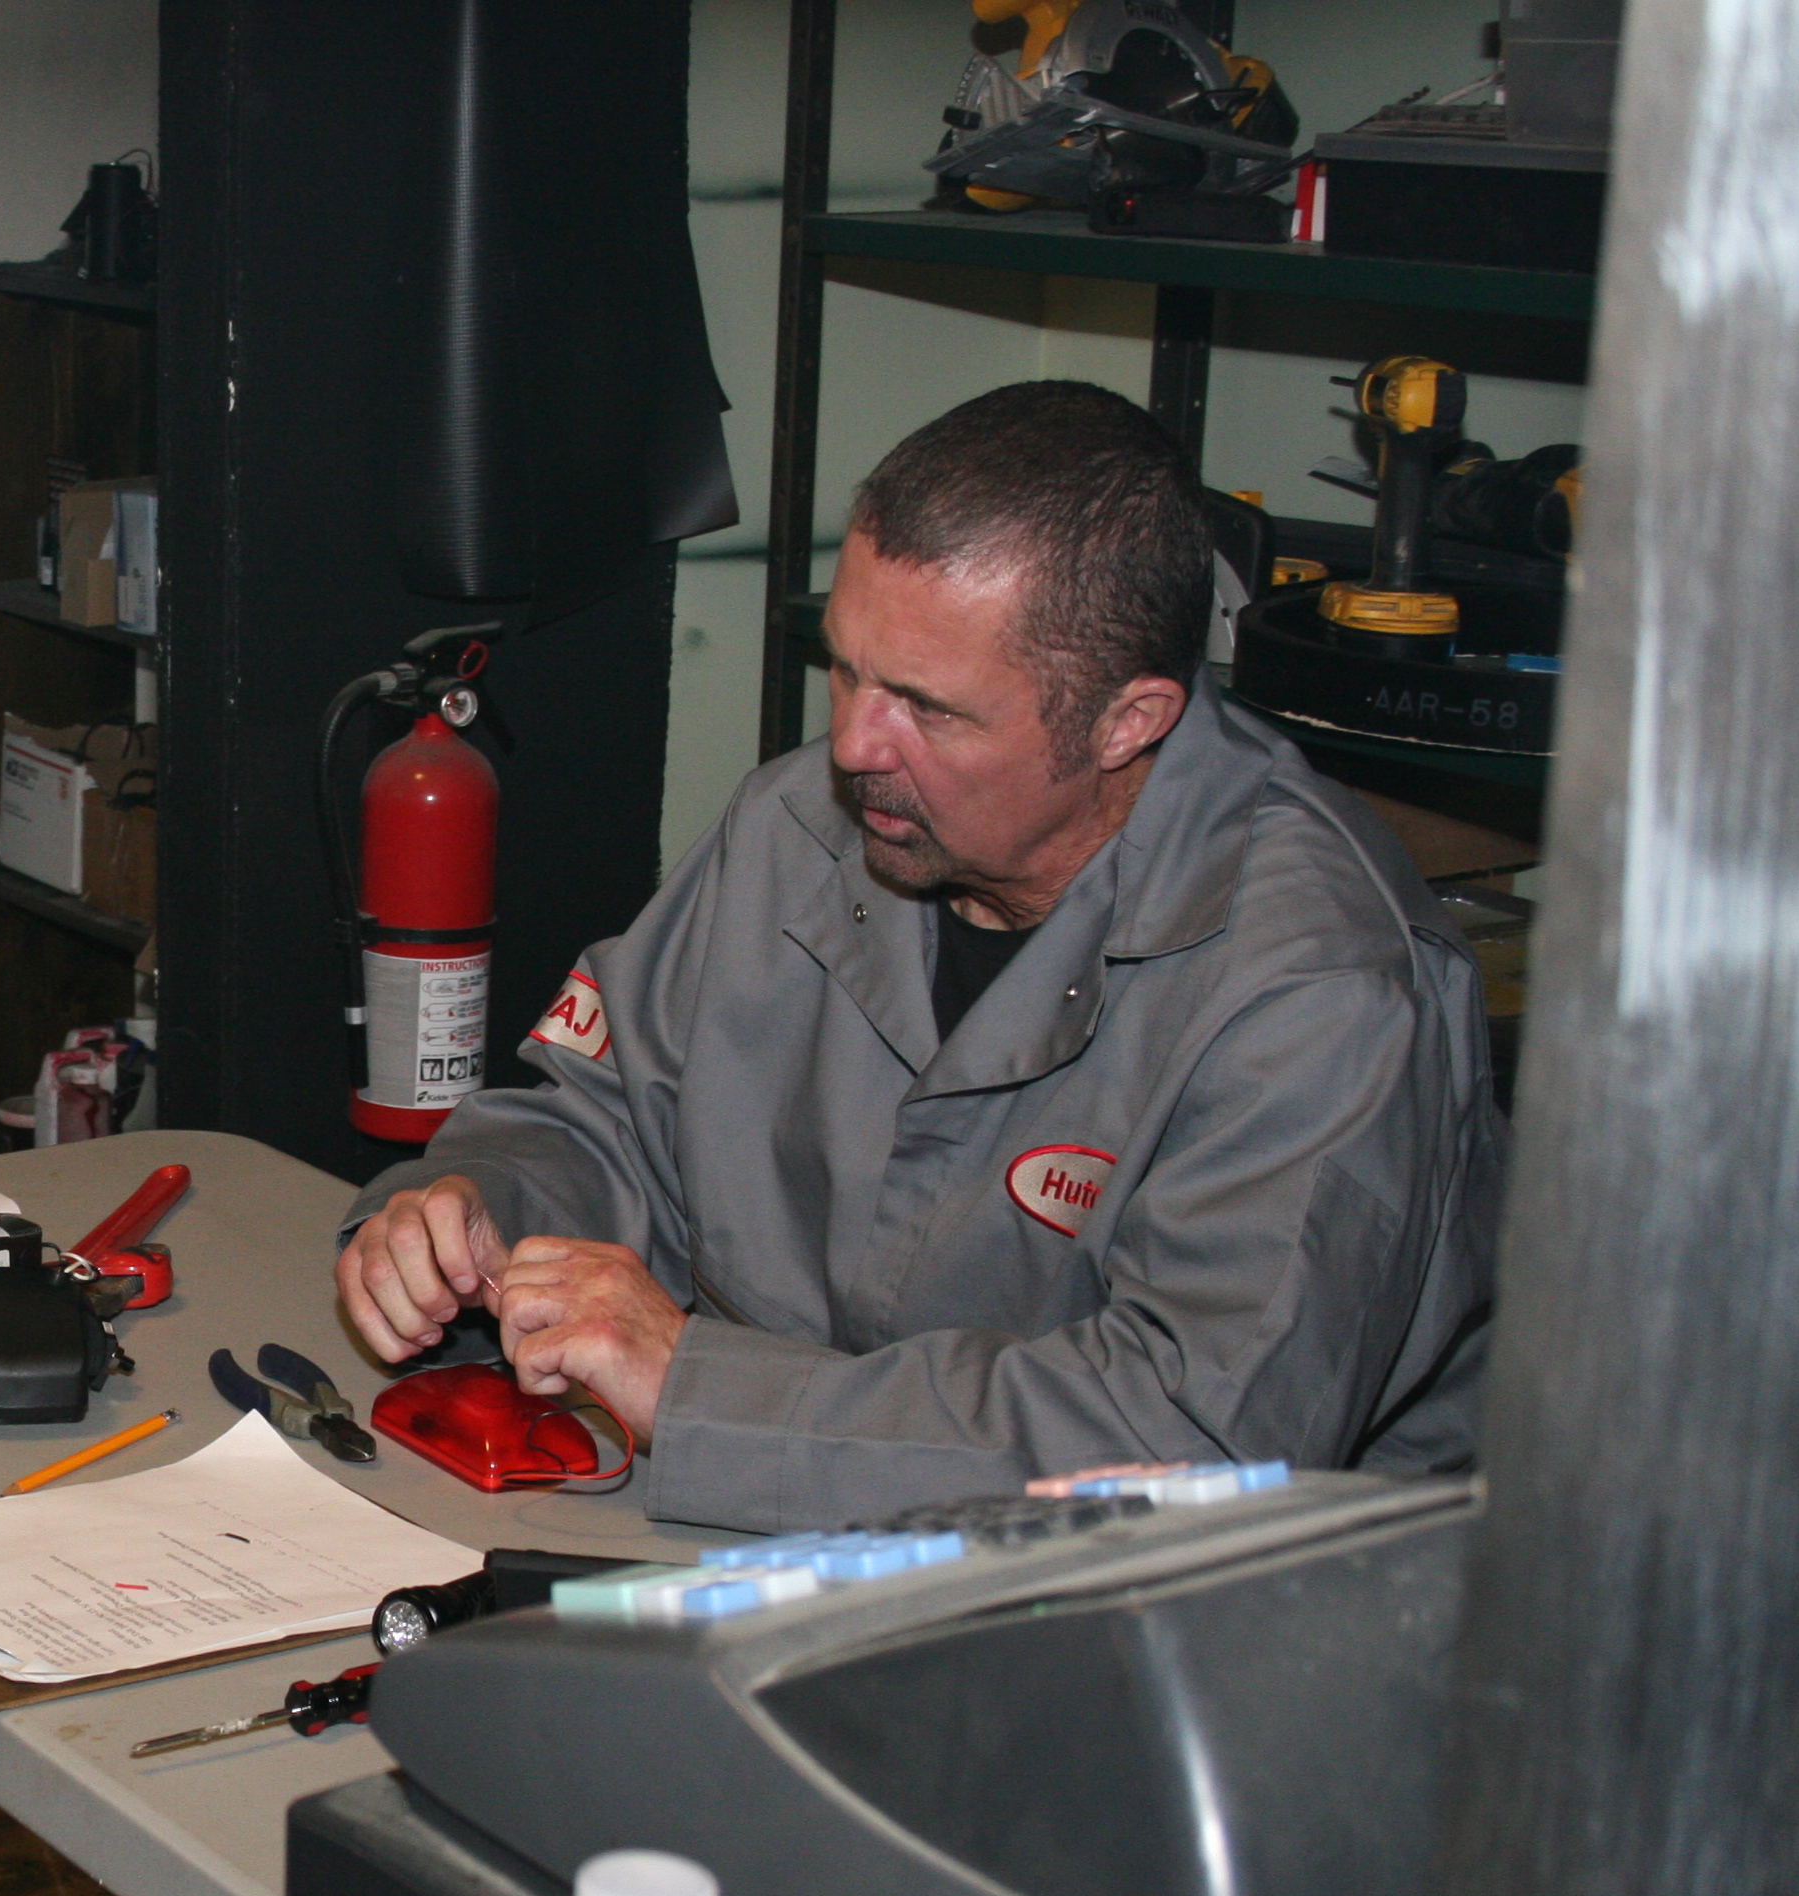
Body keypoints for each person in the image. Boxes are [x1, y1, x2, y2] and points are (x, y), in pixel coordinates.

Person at [338, 381, 1502, 1528]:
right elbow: (600, 1112)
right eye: (845, 666)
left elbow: (1187, 1445)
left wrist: (697, 1383)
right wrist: (478, 1208)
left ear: (1128, 722)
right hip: (792, 1536)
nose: (851, 744)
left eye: (927, 708)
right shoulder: (800, 829)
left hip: (1181, 1631)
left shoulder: (1319, 987)